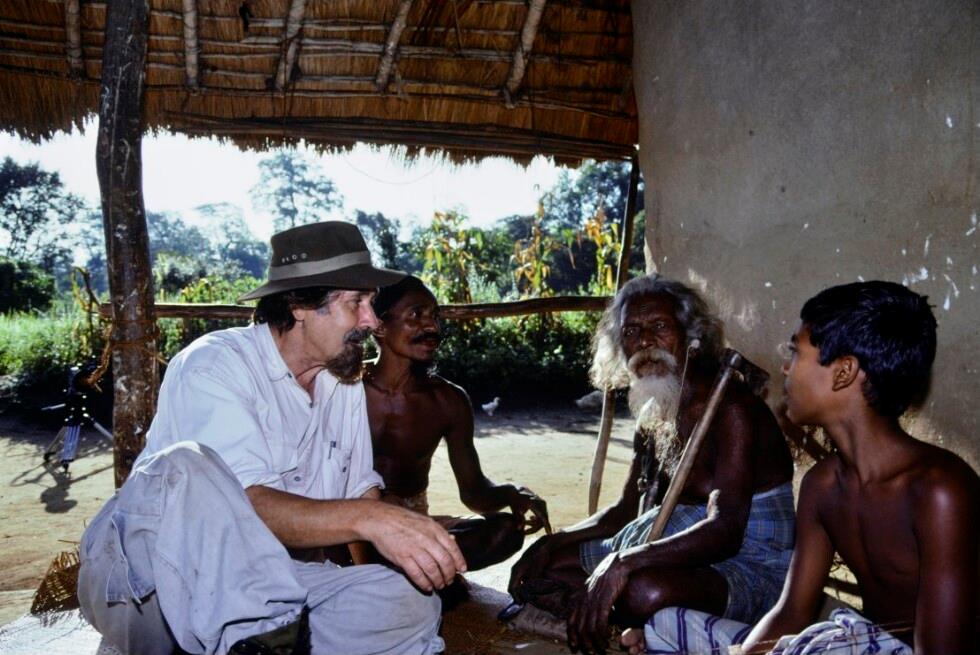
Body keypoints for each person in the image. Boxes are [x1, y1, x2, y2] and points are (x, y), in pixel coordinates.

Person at [76, 222, 466, 655]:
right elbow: (251, 507)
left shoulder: (343, 380)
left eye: (371, 304)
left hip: (272, 583)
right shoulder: (213, 365)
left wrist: (409, 539)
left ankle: (267, 642)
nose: (371, 321)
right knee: (185, 464)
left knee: (407, 603)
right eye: (356, 302)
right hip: (159, 586)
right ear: (299, 306)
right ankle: (261, 640)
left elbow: (360, 491)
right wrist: (373, 520)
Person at [507, 274, 796, 654]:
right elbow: (624, 511)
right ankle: (613, 616)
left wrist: (623, 564)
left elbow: (726, 531)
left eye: (659, 327)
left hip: (744, 565)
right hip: (668, 548)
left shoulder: (731, 408)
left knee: (644, 591)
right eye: (631, 332)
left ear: (692, 336)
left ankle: (612, 614)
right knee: (542, 567)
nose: (645, 341)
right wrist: (552, 541)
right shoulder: (654, 412)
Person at [734, 281, 978, 654]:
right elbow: (792, 612)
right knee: (668, 623)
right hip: (864, 645)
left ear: (844, 371)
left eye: (796, 352)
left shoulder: (940, 491)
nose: (785, 367)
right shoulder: (822, 486)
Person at [363, 275, 551, 573]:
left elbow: (474, 492)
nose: (432, 327)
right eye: (416, 314)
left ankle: (407, 567)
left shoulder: (448, 401)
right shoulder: (342, 388)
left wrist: (513, 493)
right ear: (380, 326)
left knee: (505, 530)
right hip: (350, 522)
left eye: (435, 316)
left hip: (415, 527)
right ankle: (408, 569)